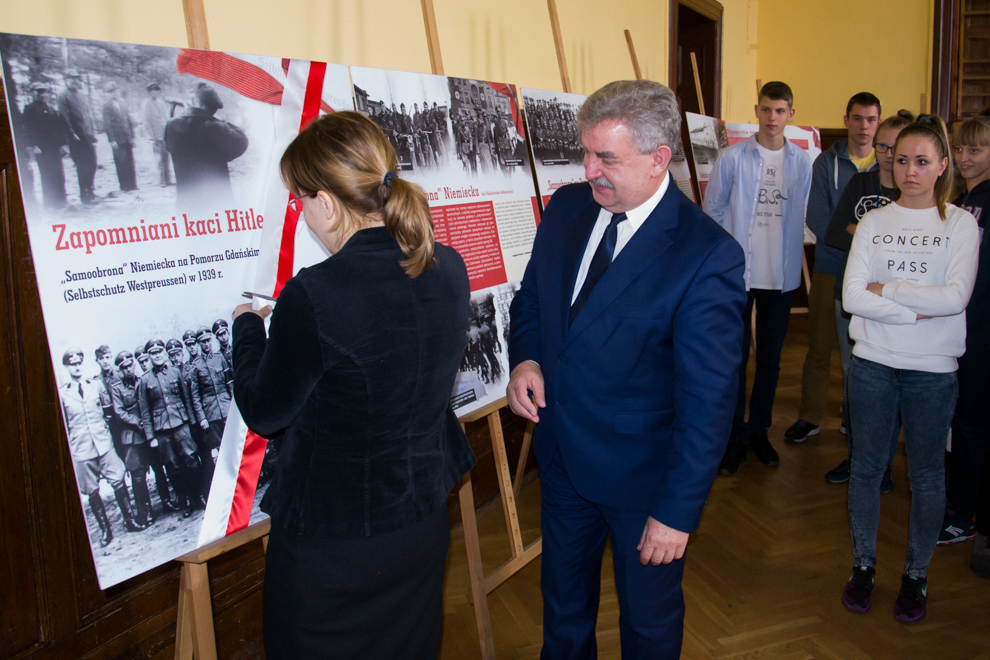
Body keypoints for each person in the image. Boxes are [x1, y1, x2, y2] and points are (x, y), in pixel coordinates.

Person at [507, 80, 746, 659]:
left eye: (606, 157)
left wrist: (676, 511)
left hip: (645, 484)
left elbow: (709, 401)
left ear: (658, 158)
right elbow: (532, 301)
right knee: (562, 612)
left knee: (648, 625)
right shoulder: (567, 208)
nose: (589, 170)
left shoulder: (706, 254)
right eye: (585, 153)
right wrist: (527, 358)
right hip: (562, 459)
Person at [231, 110, 475, 659]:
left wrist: (247, 330)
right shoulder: (449, 265)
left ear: (324, 200)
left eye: (298, 200)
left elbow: (265, 411)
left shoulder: (316, 293)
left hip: (333, 548)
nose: (302, 214)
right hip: (418, 525)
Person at [840, 116, 978, 623]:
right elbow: (852, 296)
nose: (911, 170)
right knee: (866, 470)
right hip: (873, 363)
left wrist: (888, 292)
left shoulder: (961, 224)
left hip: (932, 371)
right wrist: (916, 306)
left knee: (925, 476)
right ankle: (863, 566)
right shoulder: (875, 221)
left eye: (922, 161)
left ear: (943, 166)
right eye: (902, 160)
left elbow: (956, 297)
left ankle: (916, 574)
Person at [703, 81, 813, 475]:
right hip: (738, 276)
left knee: (770, 360)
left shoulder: (802, 164)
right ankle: (733, 437)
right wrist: (721, 265)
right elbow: (712, 211)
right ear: (757, 109)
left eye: (780, 111)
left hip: (780, 276)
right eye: (766, 109)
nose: (772, 118)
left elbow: (804, 217)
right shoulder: (733, 158)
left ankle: (759, 432)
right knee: (734, 359)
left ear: (790, 114)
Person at [824, 110, 915, 490]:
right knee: (856, 379)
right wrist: (879, 241)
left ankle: (884, 464)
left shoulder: (913, 192)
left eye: (896, 148)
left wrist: (865, 236)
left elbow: (906, 248)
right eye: (882, 146)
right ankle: (858, 456)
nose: (888, 154)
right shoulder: (860, 183)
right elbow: (834, 231)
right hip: (853, 296)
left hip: (898, 303)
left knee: (892, 381)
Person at [786, 93, 880, 446]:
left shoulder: (888, 165)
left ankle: (853, 417)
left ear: (878, 123)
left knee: (861, 353)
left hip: (874, 278)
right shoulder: (827, 163)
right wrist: (862, 244)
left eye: (870, 119)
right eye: (857, 118)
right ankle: (809, 417)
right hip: (830, 267)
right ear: (846, 120)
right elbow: (819, 219)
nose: (863, 126)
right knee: (819, 346)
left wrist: (869, 252)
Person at [941, 116, 990, 554]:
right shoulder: (965, 197)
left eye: (975, 150)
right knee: (962, 422)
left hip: (983, 332)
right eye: (959, 149)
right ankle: (958, 500)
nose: (964, 158)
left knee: (973, 425)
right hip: (963, 329)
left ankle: (964, 514)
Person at [58, 348, 145, 548]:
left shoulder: (95, 385)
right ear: (67, 367)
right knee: (91, 489)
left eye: (79, 362)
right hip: (81, 447)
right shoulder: (63, 394)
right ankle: (106, 529)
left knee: (117, 478)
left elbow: (108, 413)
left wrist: (106, 434)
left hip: (103, 442)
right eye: (72, 364)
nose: (77, 367)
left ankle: (130, 520)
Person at [137, 338, 203, 519]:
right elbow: (145, 411)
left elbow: (186, 398)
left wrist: (192, 422)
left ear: (164, 353)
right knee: (173, 466)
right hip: (162, 431)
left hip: (181, 424)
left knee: (191, 459)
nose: (157, 356)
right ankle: (186, 500)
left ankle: (198, 497)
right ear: (149, 357)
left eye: (159, 352)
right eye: (153, 353)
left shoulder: (175, 372)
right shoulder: (145, 380)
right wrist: (151, 437)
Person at [165, 82, 248, 210]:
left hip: (186, 204)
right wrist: (217, 120)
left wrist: (189, 112)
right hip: (216, 204)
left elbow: (169, 146)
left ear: (195, 102)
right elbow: (242, 141)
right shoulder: (216, 128)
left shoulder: (172, 126)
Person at [109, 351, 156, 527]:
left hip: (148, 433)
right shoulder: (117, 387)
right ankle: (144, 514)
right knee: (137, 476)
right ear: (120, 370)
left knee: (156, 468)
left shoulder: (141, 381)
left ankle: (160, 506)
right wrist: (137, 421)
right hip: (132, 436)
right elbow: (119, 412)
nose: (128, 369)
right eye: (124, 367)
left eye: (130, 365)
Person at [22, 82, 69, 209]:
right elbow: (28, 129)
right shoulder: (29, 108)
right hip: (41, 148)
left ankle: (61, 200)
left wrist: (63, 144)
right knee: (46, 174)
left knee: (59, 173)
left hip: (54, 146)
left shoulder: (51, 108)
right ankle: (50, 203)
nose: (42, 94)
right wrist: (34, 145)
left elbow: (58, 127)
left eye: (43, 92)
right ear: (33, 93)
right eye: (38, 92)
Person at [58, 69, 98, 204]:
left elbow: (88, 115)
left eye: (76, 78)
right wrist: (72, 133)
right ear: (66, 80)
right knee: (82, 166)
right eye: (71, 78)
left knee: (92, 164)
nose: (75, 81)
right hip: (76, 137)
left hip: (88, 136)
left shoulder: (81, 95)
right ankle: (84, 194)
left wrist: (93, 132)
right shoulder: (63, 95)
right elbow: (64, 116)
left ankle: (91, 190)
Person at [102, 81, 138, 193]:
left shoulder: (123, 103)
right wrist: (112, 140)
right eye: (112, 92)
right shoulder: (107, 106)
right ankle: (124, 186)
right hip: (117, 139)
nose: (115, 93)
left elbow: (129, 121)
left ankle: (132, 185)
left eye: (116, 91)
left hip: (127, 137)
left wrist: (133, 136)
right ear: (109, 93)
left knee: (130, 161)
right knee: (121, 162)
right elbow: (107, 125)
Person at [142, 82, 173, 186]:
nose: (155, 93)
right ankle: (162, 181)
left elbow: (166, 118)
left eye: (157, 91)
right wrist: (152, 137)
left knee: (166, 158)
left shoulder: (161, 103)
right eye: (153, 91)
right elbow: (146, 122)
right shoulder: (147, 104)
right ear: (149, 92)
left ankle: (168, 179)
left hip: (164, 135)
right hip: (156, 136)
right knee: (159, 160)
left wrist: (168, 131)